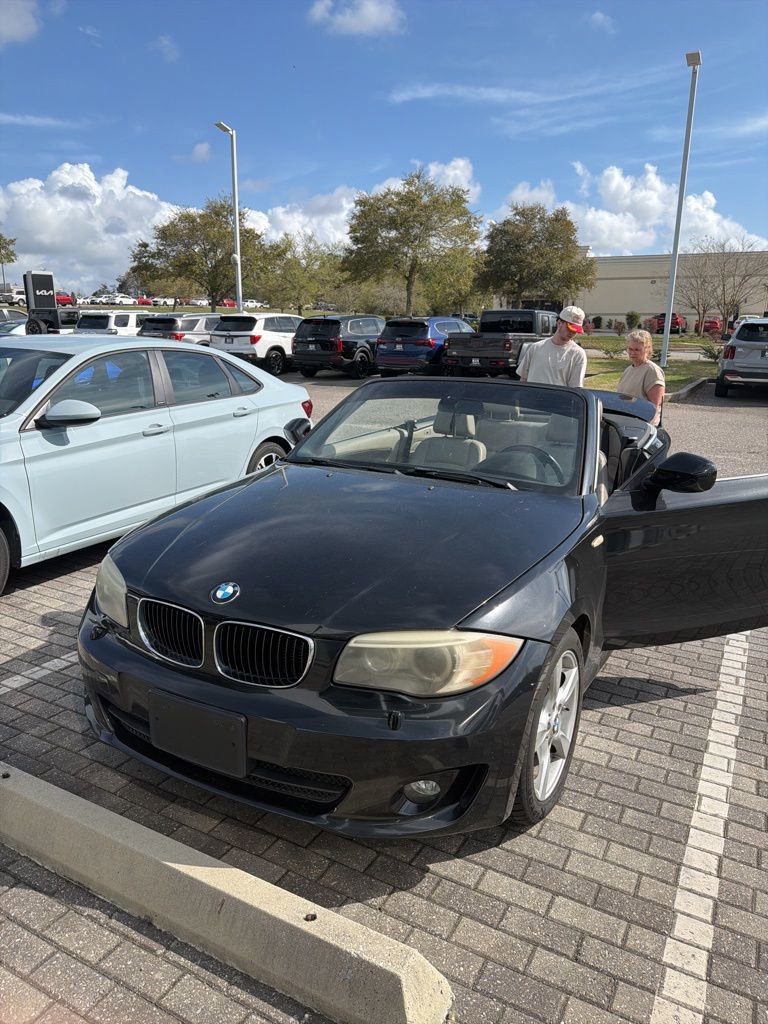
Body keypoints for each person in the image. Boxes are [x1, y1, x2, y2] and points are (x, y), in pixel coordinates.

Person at [516, 306, 588, 387]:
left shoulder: (578, 354)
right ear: (559, 323)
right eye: (570, 328)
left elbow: (576, 388)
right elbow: (523, 379)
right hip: (532, 398)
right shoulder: (535, 348)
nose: (572, 333)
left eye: (576, 330)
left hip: (558, 399)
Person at [617, 329, 665, 425]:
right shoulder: (628, 370)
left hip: (642, 427)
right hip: (625, 422)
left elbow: (654, 407)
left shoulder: (652, 371)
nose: (632, 353)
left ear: (647, 349)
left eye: (637, 350)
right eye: (630, 349)